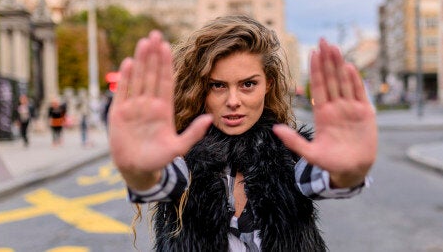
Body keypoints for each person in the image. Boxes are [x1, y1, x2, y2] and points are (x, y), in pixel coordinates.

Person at [109, 15, 377, 251]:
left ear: (268, 85)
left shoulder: (293, 151)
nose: (233, 100)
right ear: (201, 89)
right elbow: (158, 180)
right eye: (218, 86)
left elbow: (326, 179)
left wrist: (349, 171)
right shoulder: (181, 152)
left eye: (248, 84)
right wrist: (140, 172)